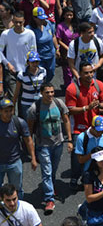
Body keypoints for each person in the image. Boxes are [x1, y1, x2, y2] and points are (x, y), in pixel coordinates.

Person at [26, 82, 72, 213]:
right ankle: (49, 199)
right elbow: (29, 130)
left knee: (53, 169)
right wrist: (32, 151)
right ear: (41, 93)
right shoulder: (35, 108)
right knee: (46, 171)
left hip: (58, 144)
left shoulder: (58, 103)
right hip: (43, 145)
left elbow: (66, 120)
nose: (50, 94)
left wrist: (69, 139)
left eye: (52, 92)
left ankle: (50, 187)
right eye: (47, 92)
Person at [0, 98, 37, 199]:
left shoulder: (19, 122)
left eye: (10, 110)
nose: (9, 113)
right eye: (5, 111)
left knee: (17, 189)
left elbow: (28, 140)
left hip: (14, 162)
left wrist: (33, 158)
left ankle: (18, 210)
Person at [0, 11, 37, 98]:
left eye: (20, 22)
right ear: (12, 21)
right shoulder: (5, 34)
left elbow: (34, 52)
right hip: (11, 72)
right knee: (13, 97)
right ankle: (12, 112)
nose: (18, 24)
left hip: (26, 71)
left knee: (25, 97)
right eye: (16, 22)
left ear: (24, 21)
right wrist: (7, 64)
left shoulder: (30, 34)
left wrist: (32, 67)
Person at [27, 6, 58, 82]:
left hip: (51, 55)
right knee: (39, 76)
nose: (42, 20)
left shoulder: (48, 24)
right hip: (40, 57)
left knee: (51, 73)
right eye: (40, 18)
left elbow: (53, 36)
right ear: (34, 18)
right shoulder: (29, 29)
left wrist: (57, 48)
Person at [14, 50, 47, 118]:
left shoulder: (43, 71)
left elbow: (44, 87)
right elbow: (17, 91)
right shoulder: (22, 74)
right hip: (26, 104)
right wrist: (13, 104)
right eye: (33, 62)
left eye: (37, 62)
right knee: (28, 125)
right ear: (28, 62)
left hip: (39, 102)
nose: (35, 64)